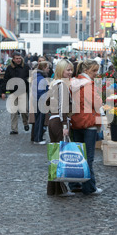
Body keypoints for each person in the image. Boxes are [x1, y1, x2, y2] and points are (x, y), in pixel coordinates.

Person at [69, 59, 103, 195]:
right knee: (88, 157)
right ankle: (89, 187)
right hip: (89, 122)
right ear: (87, 70)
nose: (96, 73)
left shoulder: (73, 82)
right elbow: (97, 102)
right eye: (94, 71)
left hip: (76, 121)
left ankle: (74, 184)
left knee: (77, 154)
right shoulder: (88, 84)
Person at [47, 59, 74, 196]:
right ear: (61, 70)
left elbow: (46, 102)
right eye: (68, 70)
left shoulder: (53, 83)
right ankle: (59, 190)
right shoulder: (62, 84)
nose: (70, 72)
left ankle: (54, 189)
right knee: (59, 156)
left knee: (55, 156)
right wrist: (64, 125)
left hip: (53, 120)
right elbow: (63, 107)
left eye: (71, 70)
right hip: (59, 121)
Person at [2, 51, 30, 135]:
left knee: (24, 110)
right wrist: (3, 91)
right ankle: (14, 129)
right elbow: (5, 80)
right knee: (13, 111)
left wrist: (25, 81)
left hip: (23, 91)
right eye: (16, 58)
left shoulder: (26, 67)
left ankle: (26, 123)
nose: (18, 60)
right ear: (13, 59)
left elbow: (30, 78)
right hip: (12, 92)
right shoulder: (9, 68)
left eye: (19, 58)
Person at [31, 61, 50, 144]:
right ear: (43, 68)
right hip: (40, 101)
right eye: (47, 68)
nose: (49, 69)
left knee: (39, 120)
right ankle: (38, 139)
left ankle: (37, 137)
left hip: (37, 101)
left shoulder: (37, 77)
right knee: (40, 120)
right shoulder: (40, 78)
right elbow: (41, 92)